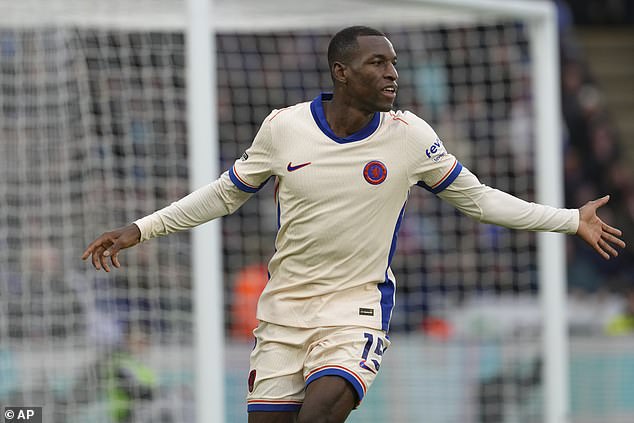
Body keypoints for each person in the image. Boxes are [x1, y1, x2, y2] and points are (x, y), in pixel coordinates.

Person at [82, 26, 626, 423]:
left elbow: (477, 200)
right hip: (284, 310)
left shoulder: (409, 136)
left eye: (393, 62)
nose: (391, 73)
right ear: (341, 72)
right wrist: (142, 228)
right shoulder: (284, 129)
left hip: (356, 306)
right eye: (376, 63)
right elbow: (225, 194)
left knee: (321, 411)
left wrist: (567, 220)